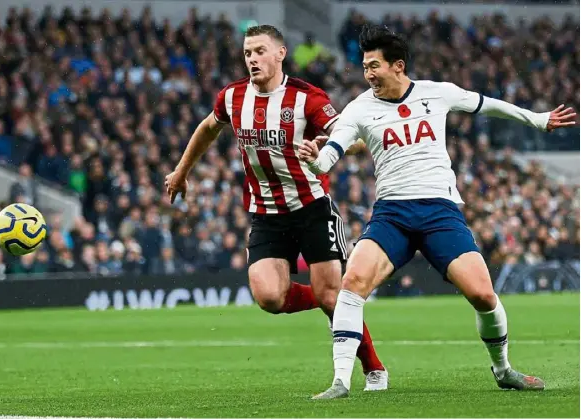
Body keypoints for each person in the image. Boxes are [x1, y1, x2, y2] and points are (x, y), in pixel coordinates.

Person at [299, 24, 576, 399]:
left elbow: (487, 104)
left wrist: (537, 119)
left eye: (374, 66)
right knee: (352, 283)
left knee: (482, 294)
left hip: (440, 213)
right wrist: (317, 162)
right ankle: (340, 382)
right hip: (392, 215)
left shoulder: (438, 93)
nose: (368, 74)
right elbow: (332, 152)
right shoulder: (359, 108)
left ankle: (504, 369)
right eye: (364, 67)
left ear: (398, 66)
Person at [165, 24, 388, 391]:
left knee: (332, 297)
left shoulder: (307, 98)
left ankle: (374, 368)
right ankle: (328, 295)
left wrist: (327, 148)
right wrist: (181, 171)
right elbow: (208, 128)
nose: (252, 58)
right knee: (270, 297)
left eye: (259, 51)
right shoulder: (233, 97)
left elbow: (357, 139)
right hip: (266, 213)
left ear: (280, 53)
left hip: (312, 206)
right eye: (247, 52)